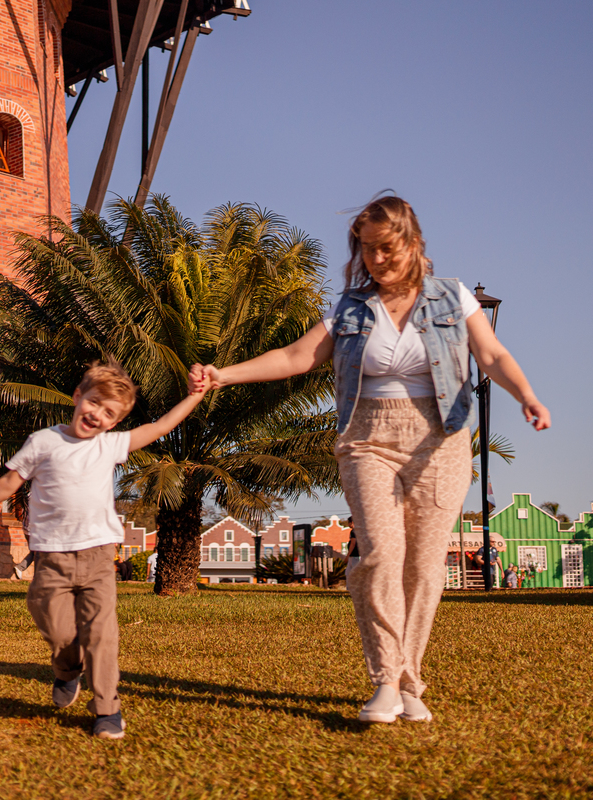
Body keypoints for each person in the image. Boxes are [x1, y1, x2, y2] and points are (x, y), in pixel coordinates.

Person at [191, 195, 550, 725]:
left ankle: (411, 680)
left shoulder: (453, 298)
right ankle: (387, 680)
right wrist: (225, 373)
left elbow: (491, 355)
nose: (377, 260)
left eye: (386, 248)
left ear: (412, 241)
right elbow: (296, 357)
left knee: (425, 565)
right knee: (381, 553)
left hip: (441, 439)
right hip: (367, 439)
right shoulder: (350, 307)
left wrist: (526, 395)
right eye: (367, 250)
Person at [0, 361, 204, 739]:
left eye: (110, 413)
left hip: (99, 554)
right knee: (55, 628)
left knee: (102, 633)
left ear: (116, 421)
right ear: (77, 396)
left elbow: (161, 427)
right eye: (95, 403)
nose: (98, 415)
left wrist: (194, 396)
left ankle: (107, 708)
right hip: (51, 556)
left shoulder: (110, 445)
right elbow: (8, 481)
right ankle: (67, 669)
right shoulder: (44, 442)